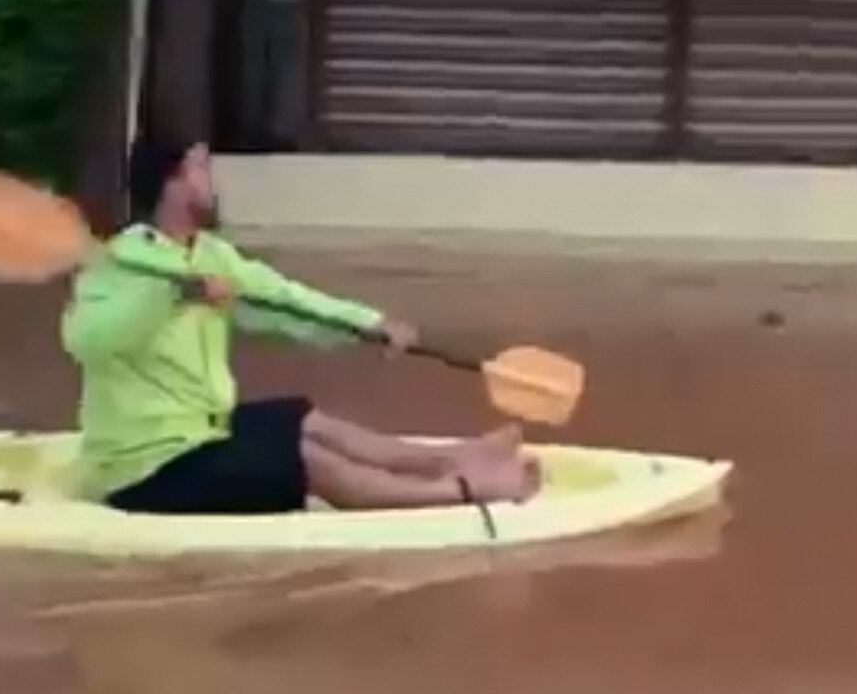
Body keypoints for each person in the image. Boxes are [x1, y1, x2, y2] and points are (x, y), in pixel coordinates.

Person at [64, 138, 540, 515]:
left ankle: (449, 458)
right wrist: (168, 295)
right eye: (200, 169)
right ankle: (466, 489)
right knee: (309, 461)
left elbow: (287, 302)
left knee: (305, 420)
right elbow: (87, 341)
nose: (212, 181)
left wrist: (369, 325)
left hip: (199, 432)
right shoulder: (119, 264)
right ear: (173, 184)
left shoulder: (210, 255)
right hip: (143, 469)